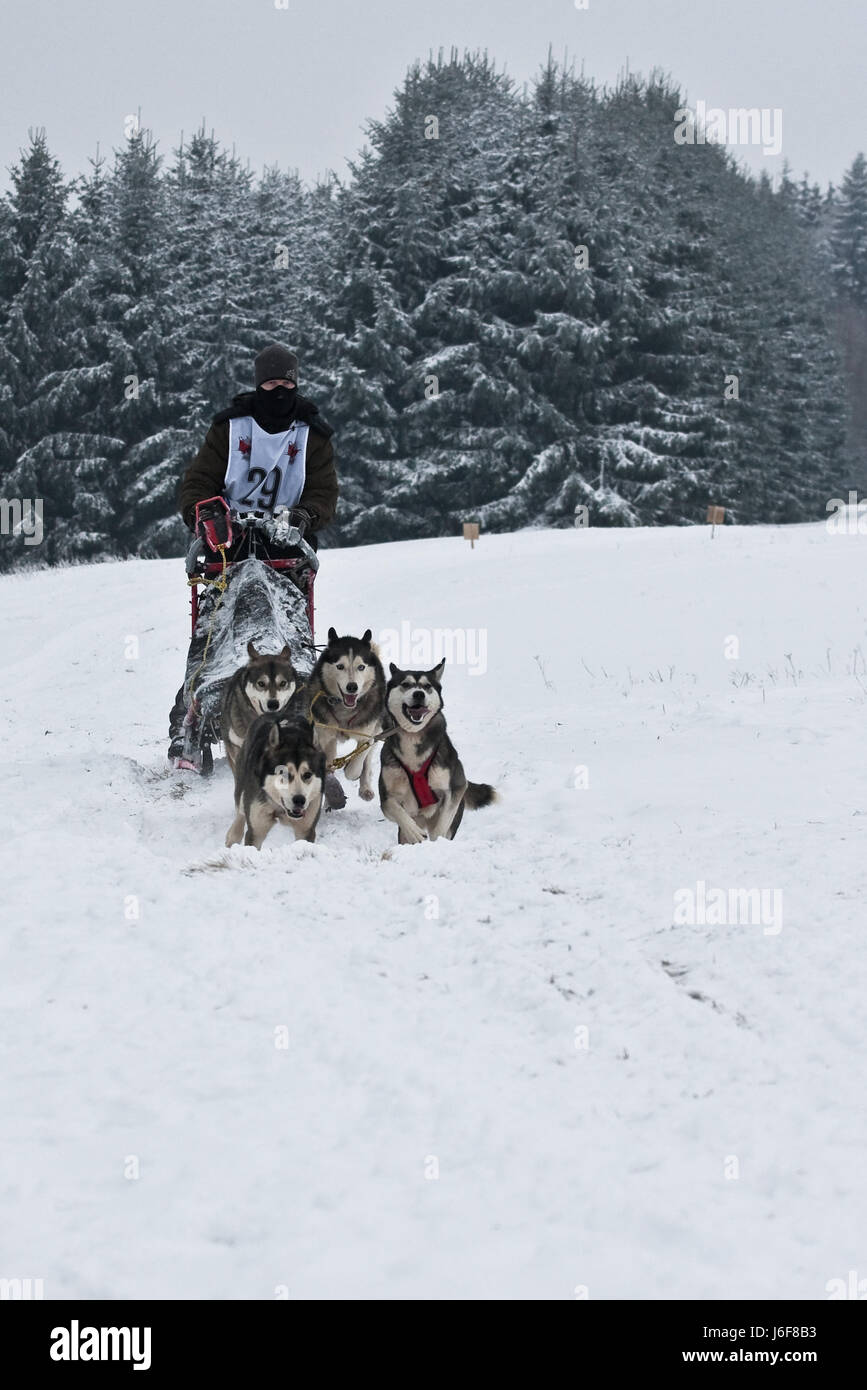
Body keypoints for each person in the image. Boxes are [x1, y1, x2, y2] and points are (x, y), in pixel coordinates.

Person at [167, 343, 338, 765]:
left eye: (286, 383)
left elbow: (324, 494)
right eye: (270, 383)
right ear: (257, 384)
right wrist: (205, 513)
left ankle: (301, 699)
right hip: (230, 543)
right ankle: (190, 717)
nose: (278, 390)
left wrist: (303, 517)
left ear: (296, 383)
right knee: (212, 625)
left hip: (286, 543)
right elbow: (198, 480)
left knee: (292, 620)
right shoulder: (230, 428)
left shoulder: (312, 435)